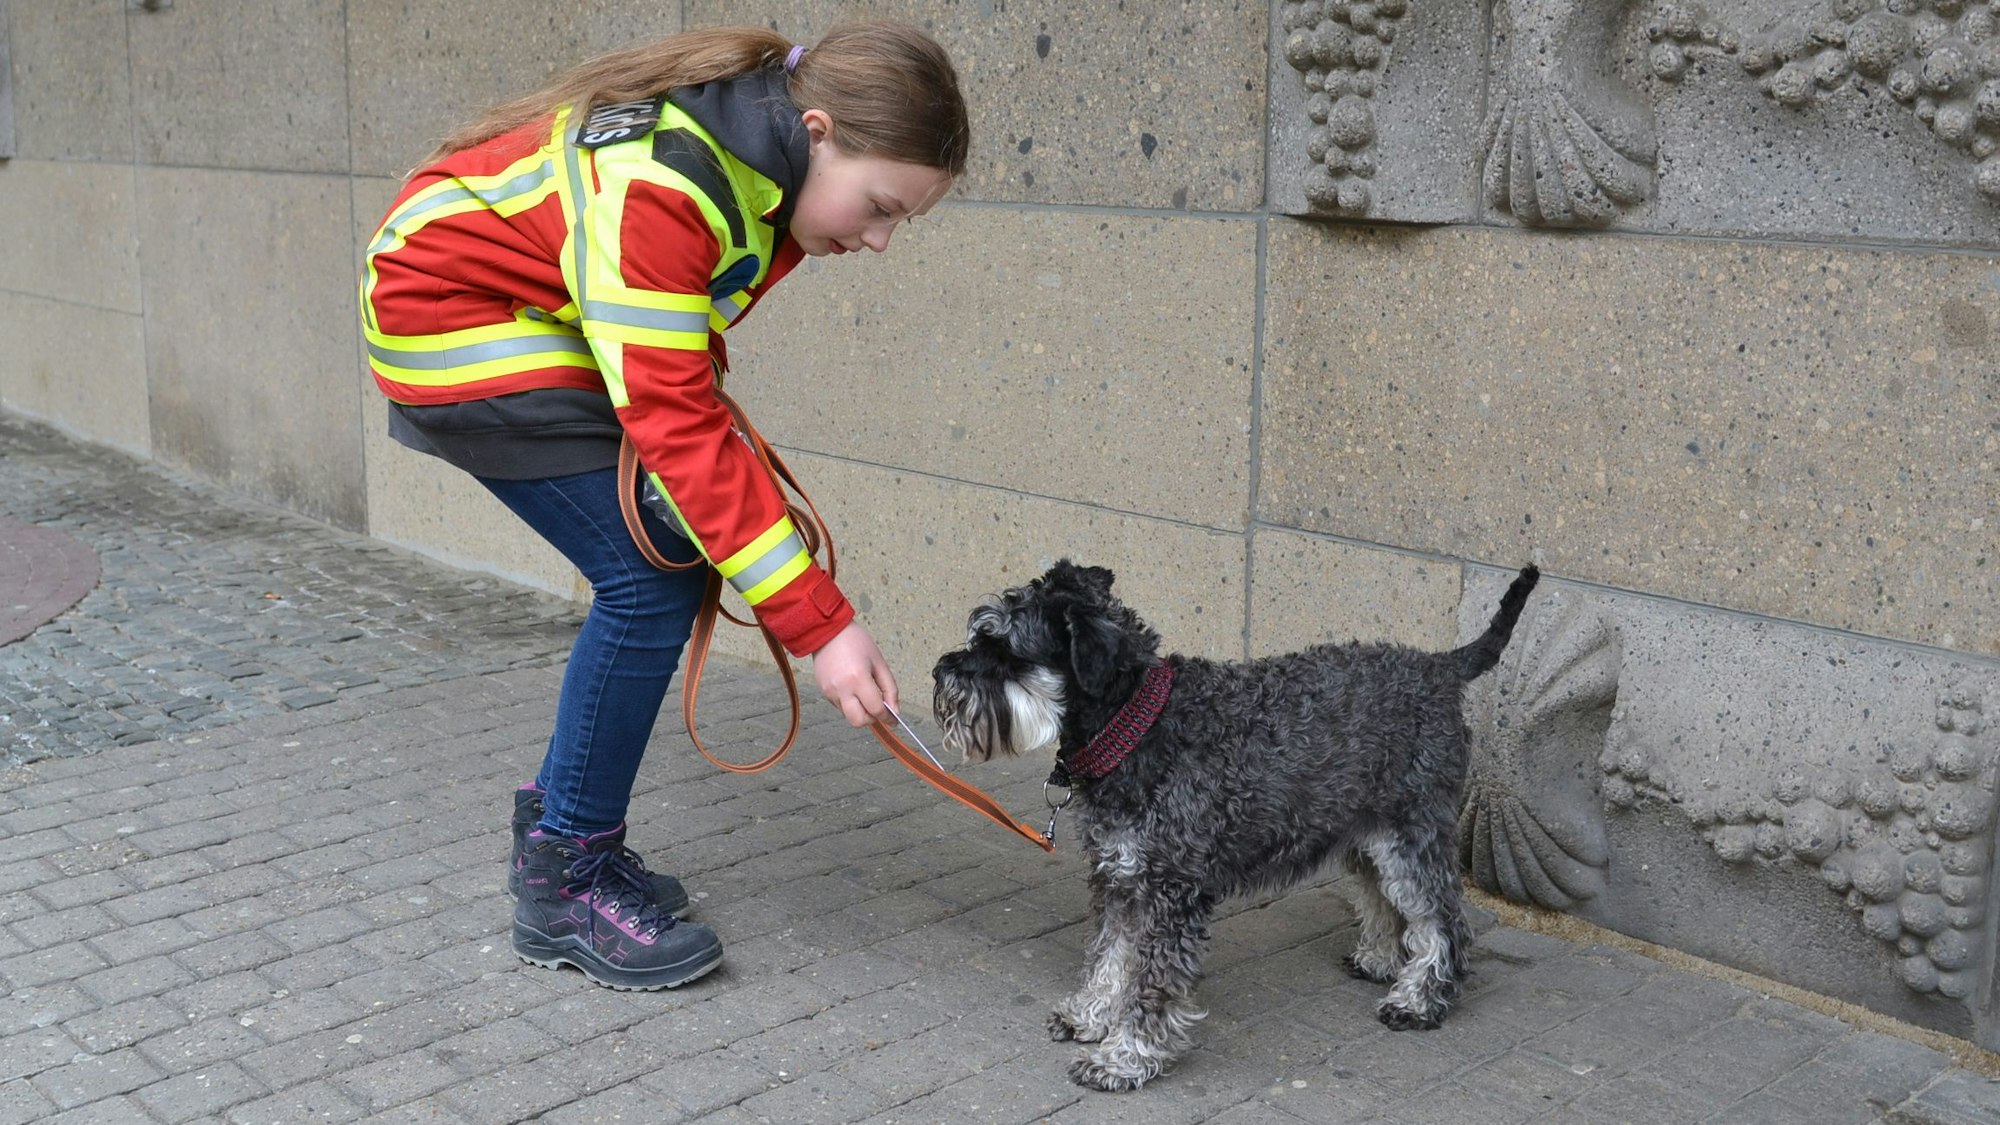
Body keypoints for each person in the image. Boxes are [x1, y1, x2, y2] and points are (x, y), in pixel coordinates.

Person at [359, 21, 968, 991]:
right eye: (881, 206)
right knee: (649, 579)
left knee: (671, 551)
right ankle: (565, 877)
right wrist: (822, 627)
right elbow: (677, 423)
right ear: (816, 131)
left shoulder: (749, 166)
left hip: (509, 313)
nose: (879, 239)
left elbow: (675, 375)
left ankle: (558, 824)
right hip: (450, 323)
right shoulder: (672, 184)